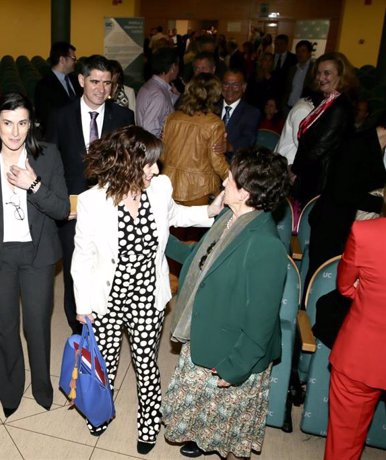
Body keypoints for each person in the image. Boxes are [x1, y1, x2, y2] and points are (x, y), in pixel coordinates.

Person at [72, 125, 221, 454]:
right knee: (106, 362)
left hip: (146, 294)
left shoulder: (160, 187)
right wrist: (82, 303)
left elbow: (174, 214)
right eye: (150, 163)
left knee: (145, 363)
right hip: (107, 297)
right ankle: (100, 412)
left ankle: (149, 421)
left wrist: (208, 212)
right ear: (128, 162)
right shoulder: (92, 202)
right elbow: (82, 257)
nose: (157, 169)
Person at [162, 148, 291, 459]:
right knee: (212, 422)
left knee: (233, 435)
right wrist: (156, 236)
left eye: (231, 178)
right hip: (212, 333)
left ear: (246, 192)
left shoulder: (265, 245)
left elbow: (260, 323)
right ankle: (203, 439)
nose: (225, 181)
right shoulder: (230, 217)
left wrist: (234, 370)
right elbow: (199, 263)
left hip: (234, 353)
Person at [0, 92, 69, 417]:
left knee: (36, 325)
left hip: (38, 255)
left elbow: (63, 209)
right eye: (7, 123)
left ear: (30, 124)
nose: (14, 132)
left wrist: (33, 184)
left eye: (22, 123)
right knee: (5, 326)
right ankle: (9, 391)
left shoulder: (47, 156)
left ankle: (41, 386)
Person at [46, 54, 134, 334]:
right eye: (95, 81)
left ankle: (107, 322)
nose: (101, 89)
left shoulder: (124, 117)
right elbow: (51, 163)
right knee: (76, 270)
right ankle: (78, 327)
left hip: (112, 206)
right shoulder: (60, 116)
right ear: (82, 80)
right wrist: (60, 203)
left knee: (108, 266)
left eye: (107, 83)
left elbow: (129, 163)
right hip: (72, 209)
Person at [325, 215, 386, 460]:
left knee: (344, 445)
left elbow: (346, 286)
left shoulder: (365, 232)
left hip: (363, 354)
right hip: (363, 356)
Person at [305, 113, 386, 287]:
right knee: (319, 284)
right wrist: (381, 205)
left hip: (352, 226)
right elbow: (342, 193)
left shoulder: (380, 147)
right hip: (331, 224)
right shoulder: (356, 144)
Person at [291, 51, 358, 206]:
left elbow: (321, 147)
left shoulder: (340, 106)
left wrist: (295, 171)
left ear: (341, 75)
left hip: (322, 179)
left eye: (327, 73)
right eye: (319, 73)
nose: (321, 78)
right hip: (312, 173)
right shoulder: (328, 100)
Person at [160, 73, 228, 206]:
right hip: (199, 188)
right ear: (215, 95)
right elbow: (217, 161)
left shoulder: (172, 118)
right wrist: (232, 179)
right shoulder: (214, 123)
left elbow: (162, 155)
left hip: (169, 185)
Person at [34, 41, 81, 137]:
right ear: (62, 60)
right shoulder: (44, 85)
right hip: (58, 136)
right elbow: (46, 116)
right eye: (73, 58)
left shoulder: (76, 80)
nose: (75, 62)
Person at [136, 48, 179, 138]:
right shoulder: (158, 94)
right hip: (155, 148)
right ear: (173, 67)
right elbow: (150, 129)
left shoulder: (149, 86)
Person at [220, 70, 261, 158]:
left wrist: (230, 147)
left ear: (244, 87)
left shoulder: (251, 113)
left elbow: (248, 139)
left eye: (235, 85)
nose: (230, 89)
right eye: (226, 84)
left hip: (233, 162)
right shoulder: (211, 107)